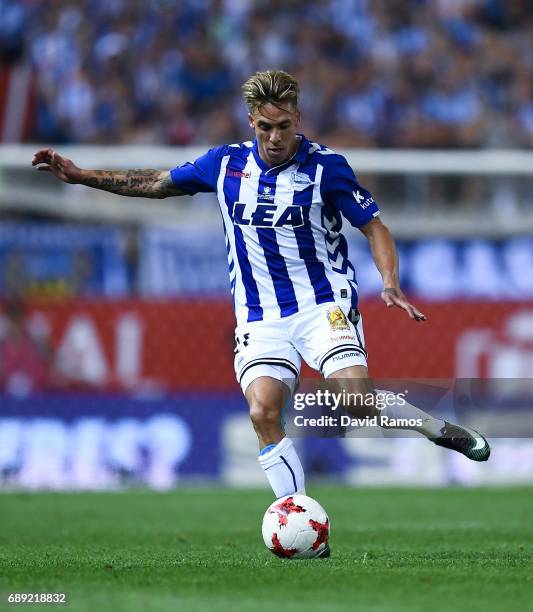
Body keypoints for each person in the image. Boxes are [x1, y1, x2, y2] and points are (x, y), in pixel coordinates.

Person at [33, 70, 489, 541]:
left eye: (284, 126)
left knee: (355, 401)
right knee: (262, 412)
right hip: (259, 316)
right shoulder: (224, 165)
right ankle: (304, 525)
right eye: (264, 127)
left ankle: (439, 430)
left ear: (298, 119)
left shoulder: (327, 168)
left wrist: (389, 282)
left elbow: (375, 227)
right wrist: (81, 176)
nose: (274, 137)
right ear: (251, 121)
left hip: (323, 305)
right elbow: (156, 182)